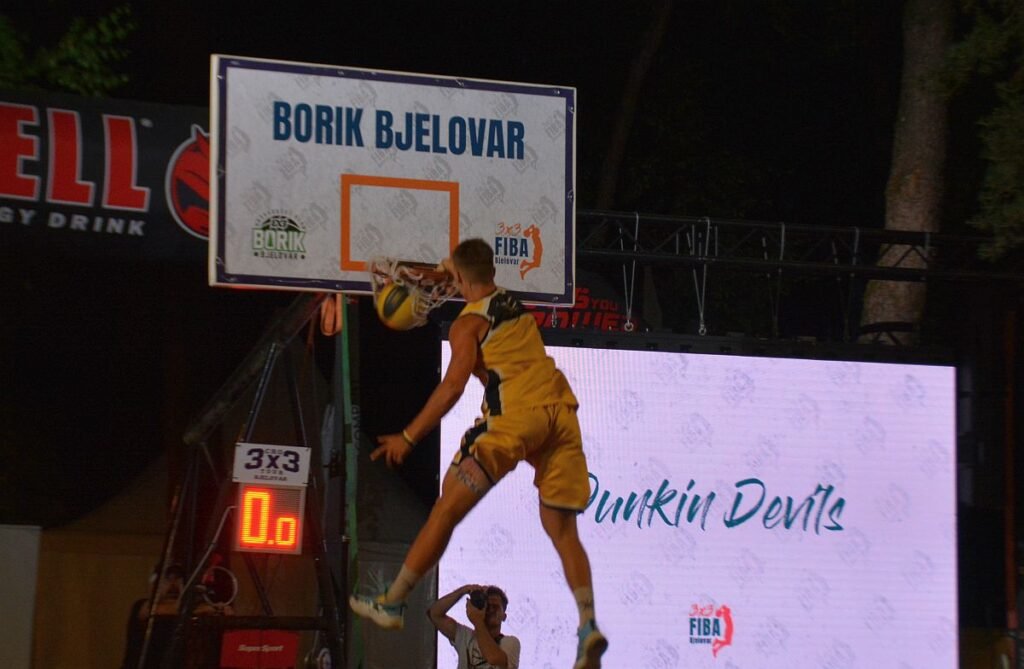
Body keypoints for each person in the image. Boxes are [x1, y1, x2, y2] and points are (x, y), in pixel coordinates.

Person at [350, 238, 608, 669]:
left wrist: (408, 437)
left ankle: (393, 601)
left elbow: (453, 386)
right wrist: (439, 273)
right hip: (560, 415)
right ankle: (588, 626)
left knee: (446, 509)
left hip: (515, 420)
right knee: (563, 530)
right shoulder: (509, 300)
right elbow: (465, 270)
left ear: (462, 277)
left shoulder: (465, 325)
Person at [428, 584, 520, 669]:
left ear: (504, 616)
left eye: (495, 607)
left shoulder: (510, 642)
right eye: (487, 606)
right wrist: (463, 590)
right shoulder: (466, 637)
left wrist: (477, 620)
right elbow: (435, 614)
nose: (490, 610)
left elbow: (493, 658)